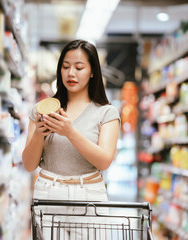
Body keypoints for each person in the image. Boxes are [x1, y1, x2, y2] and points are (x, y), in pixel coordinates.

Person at [22, 39, 120, 238]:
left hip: (90, 196)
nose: (71, 73)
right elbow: (29, 164)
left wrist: (70, 132)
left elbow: (104, 160)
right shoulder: (43, 110)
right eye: (65, 67)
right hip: (49, 193)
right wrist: (40, 134)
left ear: (92, 71)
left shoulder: (107, 113)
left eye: (79, 67)